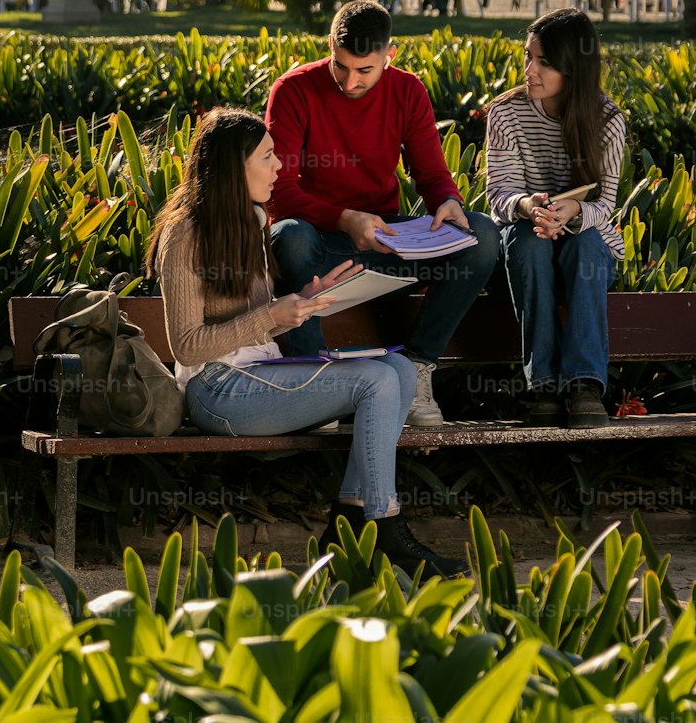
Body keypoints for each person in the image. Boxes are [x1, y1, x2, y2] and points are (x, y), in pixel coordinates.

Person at [147, 106, 466, 577]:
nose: (280, 167)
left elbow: (259, 325)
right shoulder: (184, 235)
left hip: (259, 375)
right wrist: (272, 314)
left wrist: (304, 302)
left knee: (397, 370)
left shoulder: (252, 220)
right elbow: (187, 348)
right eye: (268, 157)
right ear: (235, 166)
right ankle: (385, 528)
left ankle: (349, 521)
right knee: (377, 381)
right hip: (215, 391)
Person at [267, 0, 500, 426]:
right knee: (289, 235)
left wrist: (447, 200)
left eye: (364, 71)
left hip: (384, 245)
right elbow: (278, 193)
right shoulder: (294, 89)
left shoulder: (408, 90)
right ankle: (314, 380)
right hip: (319, 246)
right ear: (330, 48)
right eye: (341, 66)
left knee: (482, 235)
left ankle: (416, 367)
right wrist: (342, 218)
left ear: (389, 56)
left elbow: (431, 175)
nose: (349, 81)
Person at [485, 7, 626, 428]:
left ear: (573, 68)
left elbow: (606, 204)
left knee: (583, 242)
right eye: (529, 56)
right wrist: (530, 207)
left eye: (544, 62)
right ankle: (542, 385)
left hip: (586, 244)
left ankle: (585, 386)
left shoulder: (606, 120)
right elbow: (499, 195)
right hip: (525, 240)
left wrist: (574, 211)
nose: (530, 69)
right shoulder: (505, 114)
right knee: (527, 240)